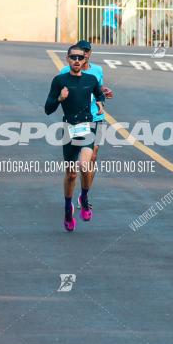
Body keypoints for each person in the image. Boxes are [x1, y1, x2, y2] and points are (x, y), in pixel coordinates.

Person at [45, 44, 106, 232]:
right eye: (73, 57)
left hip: (87, 126)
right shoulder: (59, 80)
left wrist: (100, 101)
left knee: (85, 166)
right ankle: (67, 208)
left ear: (85, 59)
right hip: (69, 128)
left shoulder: (91, 79)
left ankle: (85, 198)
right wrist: (60, 99)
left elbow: (98, 92)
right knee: (71, 174)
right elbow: (48, 109)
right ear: (68, 59)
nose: (77, 61)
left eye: (80, 57)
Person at [58, 40, 114, 216]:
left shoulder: (97, 71)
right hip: (74, 121)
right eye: (81, 52)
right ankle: (73, 199)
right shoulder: (65, 72)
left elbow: (98, 90)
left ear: (89, 54)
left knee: (91, 159)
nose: (84, 55)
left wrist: (104, 93)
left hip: (95, 118)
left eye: (87, 52)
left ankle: (84, 195)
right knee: (73, 168)